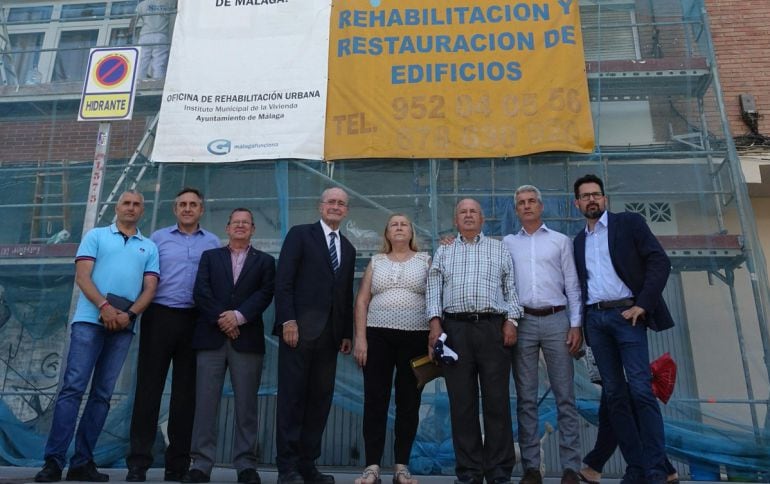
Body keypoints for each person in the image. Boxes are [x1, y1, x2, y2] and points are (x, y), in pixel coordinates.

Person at [35, 191, 160, 483]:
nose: (131, 207)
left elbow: (150, 289)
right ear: (117, 208)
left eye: (136, 204)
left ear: (142, 210)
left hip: (123, 328)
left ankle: (82, 463)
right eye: (126, 203)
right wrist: (104, 307)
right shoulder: (96, 236)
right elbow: (82, 277)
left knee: (102, 395)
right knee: (72, 389)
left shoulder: (149, 247)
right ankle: (53, 462)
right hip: (89, 322)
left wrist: (127, 316)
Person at [572, 174, 674, 484]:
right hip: (596, 322)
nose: (592, 199)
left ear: (605, 199)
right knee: (615, 396)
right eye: (586, 196)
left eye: (596, 194)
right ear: (577, 204)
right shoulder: (577, 242)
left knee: (642, 391)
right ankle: (638, 469)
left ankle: (658, 469)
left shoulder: (628, 223)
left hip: (627, 316)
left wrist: (643, 304)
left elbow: (660, 261)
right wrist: (580, 325)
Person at [126, 188, 220, 482]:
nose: (188, 208)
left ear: (201, 210)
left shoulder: (214, 243)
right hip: (159, 316)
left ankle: (177, 464)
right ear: (175, 208)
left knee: (186, 395)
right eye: (182, 204)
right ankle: (138, 463)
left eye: (193, 205)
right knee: (148, 390)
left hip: (195, 319)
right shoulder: (157, 239)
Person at [425, 198, 522, 484]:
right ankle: (468, 472)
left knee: (497, 402)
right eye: (462, 213)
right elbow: (433, 290)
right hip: (454, 330)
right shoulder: (444, 250)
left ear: (482, 219)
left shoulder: (499, 247)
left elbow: (511, 289)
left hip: (493, 329)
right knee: (462, 403)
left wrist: (511, 321)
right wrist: (434, 326)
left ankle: (499, 471)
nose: (468, 216)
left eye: (473, 212)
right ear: (456, 221)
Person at [181, 208, 275, 484]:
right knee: (205, 403)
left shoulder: (266, 261)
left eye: (246, 223)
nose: (241, 226)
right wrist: (223, 318)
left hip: (246, 341)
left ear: (253, 229)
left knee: (246, 405)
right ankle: (201, 464)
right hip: (211, 338)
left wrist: (239, 316)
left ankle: (246, 464)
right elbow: (201, 291)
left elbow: (265, 294)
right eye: (237, 222)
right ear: (227, 227)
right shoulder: (210, 257)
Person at [274, 187, 355, 484]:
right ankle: (287, 468)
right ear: (320, 206)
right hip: (298, 332)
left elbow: (345, 294)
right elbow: (283, 280)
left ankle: (308, 464)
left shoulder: (348, 247)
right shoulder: (299, 234)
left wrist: (346, 333)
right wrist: (288, 320)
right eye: (331, 202)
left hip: (330, 337)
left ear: (346, 211)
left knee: (319, 401)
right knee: (292, 399)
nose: (335, 207)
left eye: (341, 204)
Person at [502, 185, 582, 484]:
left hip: (557, 319)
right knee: (525, 397)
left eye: (531, 201)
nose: (526, 206)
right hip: (522, 321)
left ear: (541, 206)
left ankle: (571, 467)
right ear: (516, 209)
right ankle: (532, 468)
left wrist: (575, 324)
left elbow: (572, 285)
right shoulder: (507, 243)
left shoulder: (561, 242)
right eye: (521, 202)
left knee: (565, 396)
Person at [353, 214, 430, 484]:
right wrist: (360, 339)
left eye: (404, 224)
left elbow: (434, 298)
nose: (399, 227)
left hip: (416, 338)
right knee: (375, 400)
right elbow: (362, 301)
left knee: (409, 402)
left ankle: (401, 468)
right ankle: (371, 468)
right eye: (394, 224)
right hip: (377, 337)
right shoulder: (377, 261)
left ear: (411, 232)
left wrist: (434, 336)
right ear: (386, 233)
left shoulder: (426, 260)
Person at [579, 348, 679, 484]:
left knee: (618, 417)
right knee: (614, 416)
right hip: (610, 363)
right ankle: (666, 469)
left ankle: (600, 466)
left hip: (618, 366)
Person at [130, 0, 176, 79]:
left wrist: (130, 32)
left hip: (145, 36)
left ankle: (139, 83)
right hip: (161, 36)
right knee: (159, 62)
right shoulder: (168, 3)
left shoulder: (142, 4)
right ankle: (157, 83)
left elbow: (134, 20)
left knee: (142, 62)